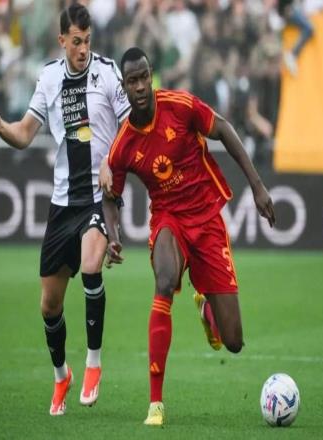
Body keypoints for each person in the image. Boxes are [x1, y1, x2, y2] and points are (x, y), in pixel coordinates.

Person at [100, 47, 276, 426]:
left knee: (233, 341)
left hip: (207, 218)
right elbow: (110, 197)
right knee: (164, 281)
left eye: (144, 77)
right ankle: (156, 403)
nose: (140, 86)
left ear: (152, 76)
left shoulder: (179, 106)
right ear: (124, 87)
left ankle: (206, 309)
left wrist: (257, 185)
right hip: (169, 219)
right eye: (132, 81)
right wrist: (112, 235)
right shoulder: (124, 144)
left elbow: (224, 129)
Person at [0, 4, 131, 416]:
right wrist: (1, 128)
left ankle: (94, 363)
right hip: (62, 204)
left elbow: (130, 128)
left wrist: (111, 162)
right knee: (49, 306)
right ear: (62, 40)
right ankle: (61, 374)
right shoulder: (48, 77)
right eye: (77, 42)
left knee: (92, 266)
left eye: (88, 41)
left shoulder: (107, 73)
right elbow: (25, 133)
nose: (83, 49)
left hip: (97, 197)